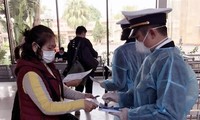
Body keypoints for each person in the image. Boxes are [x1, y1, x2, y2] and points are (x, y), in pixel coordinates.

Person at [102, 8, 198, 120]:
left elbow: (168, 113)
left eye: (137, 38)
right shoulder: (154, 57)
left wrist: (130, 114)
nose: (136, 42)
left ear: (152, 33)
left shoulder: (170, 61)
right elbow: (143, 93)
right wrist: (120, 97)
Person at [14, 25, 98, 120]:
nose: (52, 52)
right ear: (35, 47)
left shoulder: (47, 66)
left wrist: (83, 96)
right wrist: (81, 104)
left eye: (54, 48)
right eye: (49, 48)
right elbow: (47, 107)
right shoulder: (30, 73)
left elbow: (62, 89)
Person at [100, 18, 148, 92]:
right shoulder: (147, 48)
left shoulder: (121, 52)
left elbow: (118, 83)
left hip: (127, 96)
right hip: (145, 95)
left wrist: (104, 84)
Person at [64, 26, 98, 115]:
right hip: (88, 69)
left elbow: (69, 57)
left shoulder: (71, 43)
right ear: (83, 33)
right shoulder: (85, 41)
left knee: (78, 88)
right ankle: (88, 106)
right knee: (88, 87)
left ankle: (77, 108)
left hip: (77, 70)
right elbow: (93, 53)